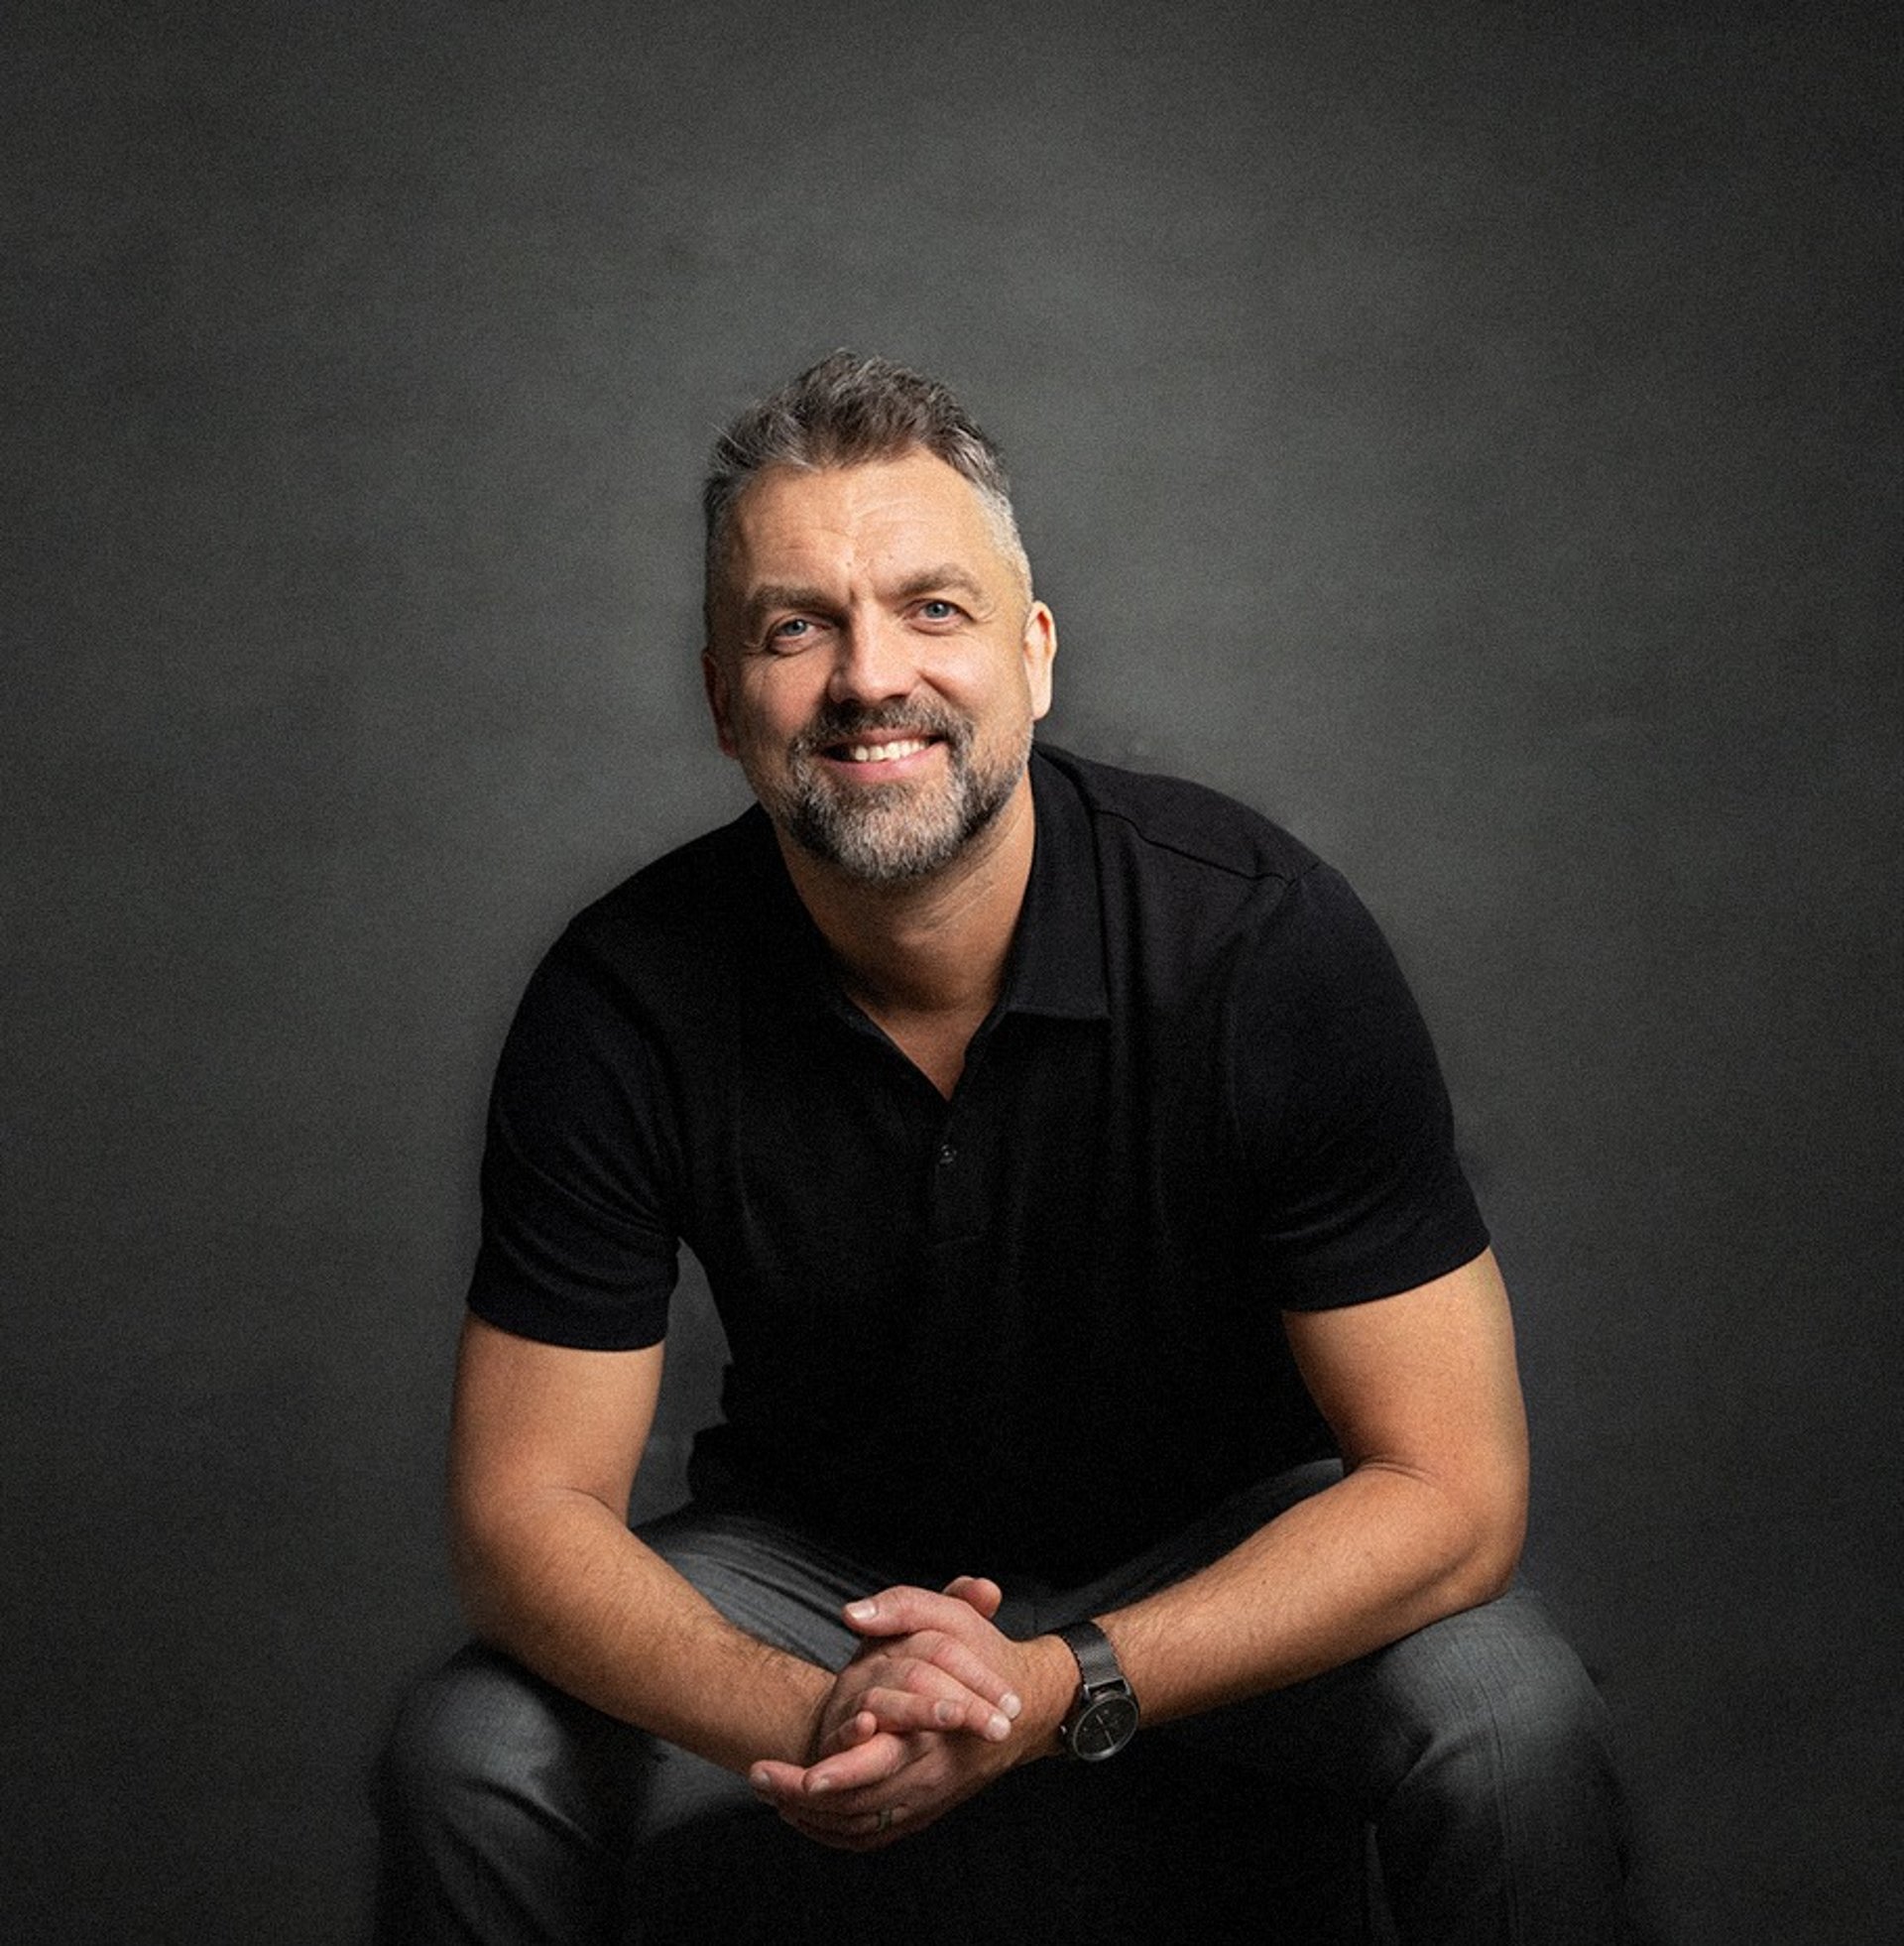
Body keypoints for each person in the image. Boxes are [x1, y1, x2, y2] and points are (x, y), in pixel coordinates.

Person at [377, 352, 1630, 1942]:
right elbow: (522, 1517)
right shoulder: (622, 997)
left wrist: (1066, 1678)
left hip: (1217, 1550)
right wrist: (813, 1703)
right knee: (473, 1749)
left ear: (1035, 656)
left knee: (1511, 1717)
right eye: (795, 625)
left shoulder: (1260, 942)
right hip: (816, 1576)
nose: (866, 676)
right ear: (721, 699)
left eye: (934, 609)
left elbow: (1455, 1487)